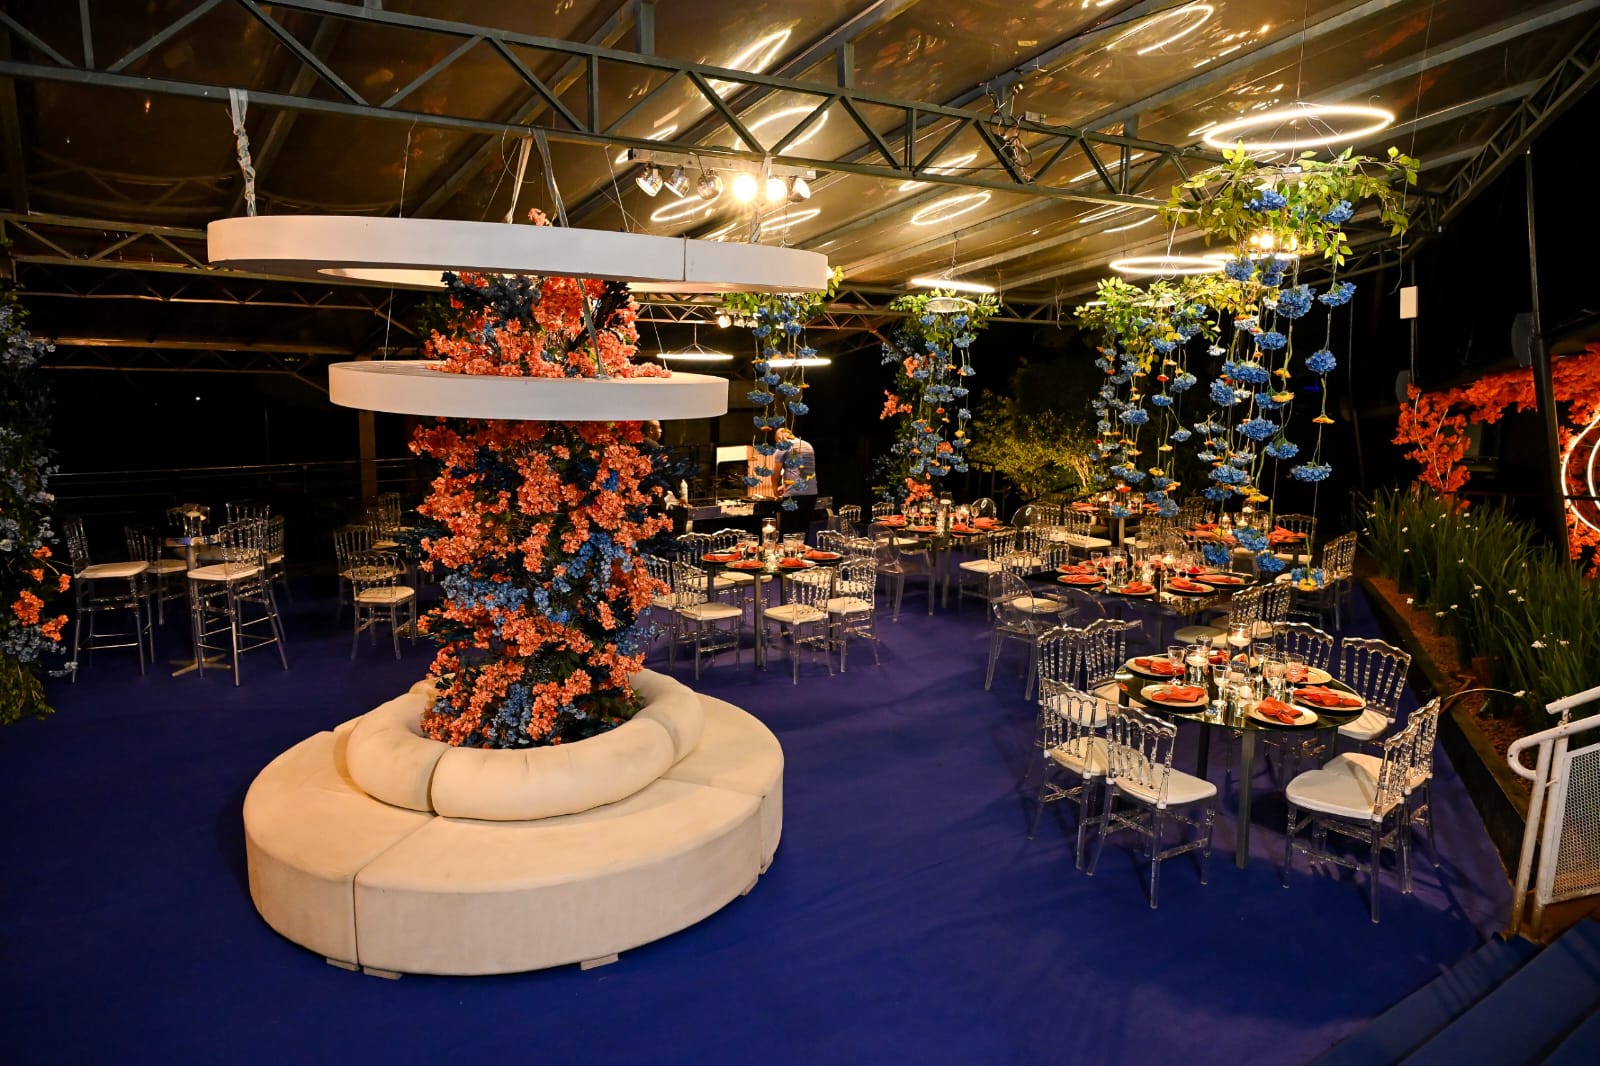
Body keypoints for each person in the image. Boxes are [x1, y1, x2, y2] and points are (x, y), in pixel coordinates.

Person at [775, 428, 817, 534]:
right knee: (803, 533)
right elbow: (802, 472)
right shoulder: (808, 445)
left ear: (779, 438)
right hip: (811, 494)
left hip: (793, 496)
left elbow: (776, 472)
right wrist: (785, 486)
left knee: (788, 534)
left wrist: (774, 489)